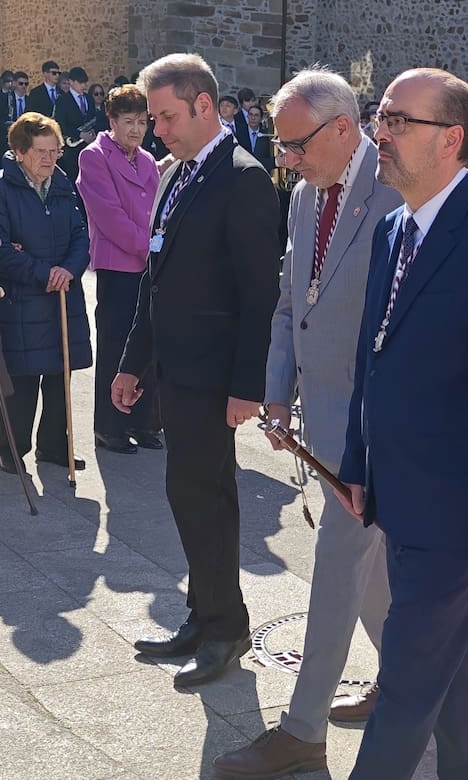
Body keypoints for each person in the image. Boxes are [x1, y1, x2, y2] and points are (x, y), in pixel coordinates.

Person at [340, 68, 468, 779]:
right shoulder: (394, 226)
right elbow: (374, 355)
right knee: (447, 664)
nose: (381, 134)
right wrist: (355, 462)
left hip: (460, 515)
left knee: (404, 681)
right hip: (400, 495)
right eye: (382, 118)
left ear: (452, 140)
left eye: (399, 122)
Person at [213, 68, 402, 778]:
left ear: (343, 129)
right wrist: (276, 388)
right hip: (318, 417)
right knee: (373, 574)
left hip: (373, 427)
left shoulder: (394, 192)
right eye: (279, 143)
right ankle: (410, 684)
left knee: (338, 564)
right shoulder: (301, 195)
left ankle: (302, 729)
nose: (284, 158)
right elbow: (296, 294)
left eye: (294, 144)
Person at [112, 53, 280, 688]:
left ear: (205, 106)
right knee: (191, 496)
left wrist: (247, 386)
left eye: (166, 116)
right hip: (176, 372)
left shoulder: (243, 178)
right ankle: (205, 614)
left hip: (214, 379)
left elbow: (257, 293)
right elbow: (159, 279)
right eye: (153, 117)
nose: (157, 129)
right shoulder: (179, 174)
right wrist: (133, 364)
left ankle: (226, 627)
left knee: (203, 496)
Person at [0, 113, 91, 476]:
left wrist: (68, 269)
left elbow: (82, 235)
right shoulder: (5, 188)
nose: (50, 159)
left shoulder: (63, 182)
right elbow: (4, 249)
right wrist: (43, 272)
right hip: (24, 297)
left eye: (55, 151)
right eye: (41, 152)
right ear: (20, 151)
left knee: (60, 374)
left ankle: (55, 446)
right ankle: (11, 449)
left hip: (63, 293)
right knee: (24, 379)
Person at [76, 85, 163, 456]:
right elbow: (108, 215)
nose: (136, 129)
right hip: (118, 266)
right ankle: (110, 427)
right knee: (115, 347)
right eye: (128, 121)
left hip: (149, 267)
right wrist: (150, 248)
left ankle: (143, 420)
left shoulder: (146, 159)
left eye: (142, 122)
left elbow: (160, 210)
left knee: (148, 345)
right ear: (111, 121)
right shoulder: (93, 157)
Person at [246, 104, 274, 171]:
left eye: (256, 115)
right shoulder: (240, 132)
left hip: (261, 171)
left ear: (261, 118)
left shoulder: (266, 135)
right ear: (247, 116)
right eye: (251, 115)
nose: (253, 118)